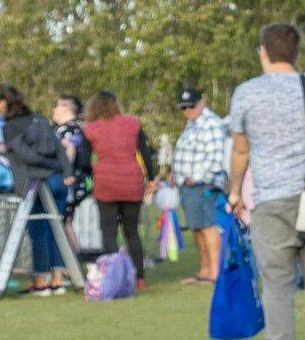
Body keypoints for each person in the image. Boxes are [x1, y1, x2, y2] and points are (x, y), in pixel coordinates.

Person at [226, 22, 305, 340]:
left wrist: (233, 190)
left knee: (277, 282)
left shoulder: (247, 92)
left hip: (274, 195)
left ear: (263, 51)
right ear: (296, 53)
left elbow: (241, 149)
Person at [0, 83, 70, 294]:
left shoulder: (11, 126)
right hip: (58, 180)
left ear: (3, 103)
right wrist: (64, 170)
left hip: (36, 181)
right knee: (56, 229)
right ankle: (58, 279)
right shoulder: (39, 118)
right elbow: (58, 147)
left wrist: (9, 152)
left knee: (38, 230)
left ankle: (42, 281)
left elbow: (27, 156)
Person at [82, 89, 156, 284]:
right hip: (132, 181)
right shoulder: (132, 123)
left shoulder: (90, 128)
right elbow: (146, 153)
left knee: (109, 232)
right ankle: (140, 277)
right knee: (132, 232)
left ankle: (116, 277)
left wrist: (93, 172)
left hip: (105, 182)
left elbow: (83, 160)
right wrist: (151, 177)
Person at [171, 86, 229, 284]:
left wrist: (196, 177)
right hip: (187, 186)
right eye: (184, 108)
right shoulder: (191, 124)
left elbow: (216, 157)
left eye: (191, 106)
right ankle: (204, 269)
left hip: (204, 185)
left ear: (202, 103)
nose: (188, 111)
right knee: (196, 227)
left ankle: (215, 271)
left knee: (208, 226)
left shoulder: (211, 123)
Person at [52, 95, 92, 214]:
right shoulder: (79, 127)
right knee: (67, 223)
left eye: (56, 106)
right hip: (79, 181)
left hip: (68, 182)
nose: (54, 110)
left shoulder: (66, 130)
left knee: (60, 223)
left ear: (66, 108)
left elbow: (69, 153)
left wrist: (65, 171)